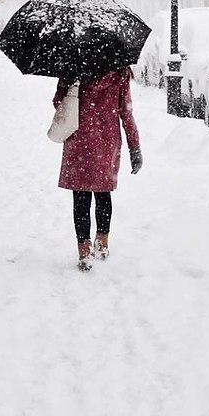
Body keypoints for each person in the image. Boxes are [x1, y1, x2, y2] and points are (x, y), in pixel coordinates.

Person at [52, 66, 142, 271]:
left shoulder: (72, 66)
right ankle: (102, 242)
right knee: (103, 194)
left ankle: (84, 250)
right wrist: (134, 147)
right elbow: (126, 112)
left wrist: (71, 86)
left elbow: (59, 103)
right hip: (106, 141)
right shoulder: (119, 70)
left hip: (79, 140)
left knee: (80, 198)